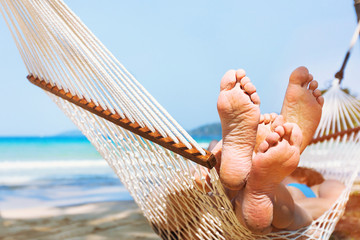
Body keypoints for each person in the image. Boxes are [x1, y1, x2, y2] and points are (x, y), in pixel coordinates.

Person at [195, 66, 345, 234]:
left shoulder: (294, 178)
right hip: (277, 207)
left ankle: (223, 171)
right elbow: (334, 203)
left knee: (236, 192)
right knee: (298, 208)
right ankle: (258, 190)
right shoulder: (312, 186)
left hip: (226, 206)